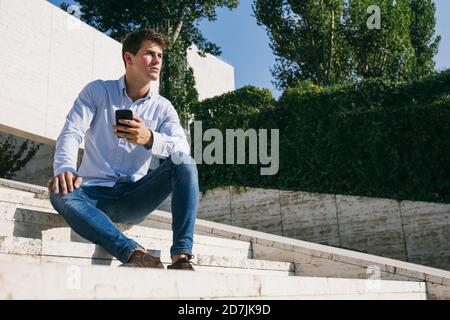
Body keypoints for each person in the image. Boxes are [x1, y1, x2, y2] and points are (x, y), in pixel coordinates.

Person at [47, 28, 199, 271]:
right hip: (92, 195)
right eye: (150, 54)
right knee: (59, 190)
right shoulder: (98, 91)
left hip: (134, 197)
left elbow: (182, 148)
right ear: (129, 58)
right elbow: (72, 131)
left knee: (184, 163)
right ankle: (134, 253)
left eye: (160, 55)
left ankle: (181, 257)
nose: (157, 60)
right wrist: (65, 167)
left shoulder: (163, 108)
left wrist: (149, 137)